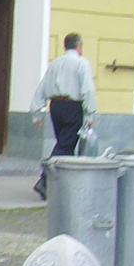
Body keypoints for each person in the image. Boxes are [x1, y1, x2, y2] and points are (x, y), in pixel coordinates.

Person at [31, 32, 98, 199]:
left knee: (63, 142)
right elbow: (87, 90)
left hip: (56, 106)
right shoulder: (81, 63)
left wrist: (36, 112)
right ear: (79, 46)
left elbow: (43, 86)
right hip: (71, 105)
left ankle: (60, 184)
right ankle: (45, 180)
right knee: (65, 145)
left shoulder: (55, 63)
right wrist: (90, 114)